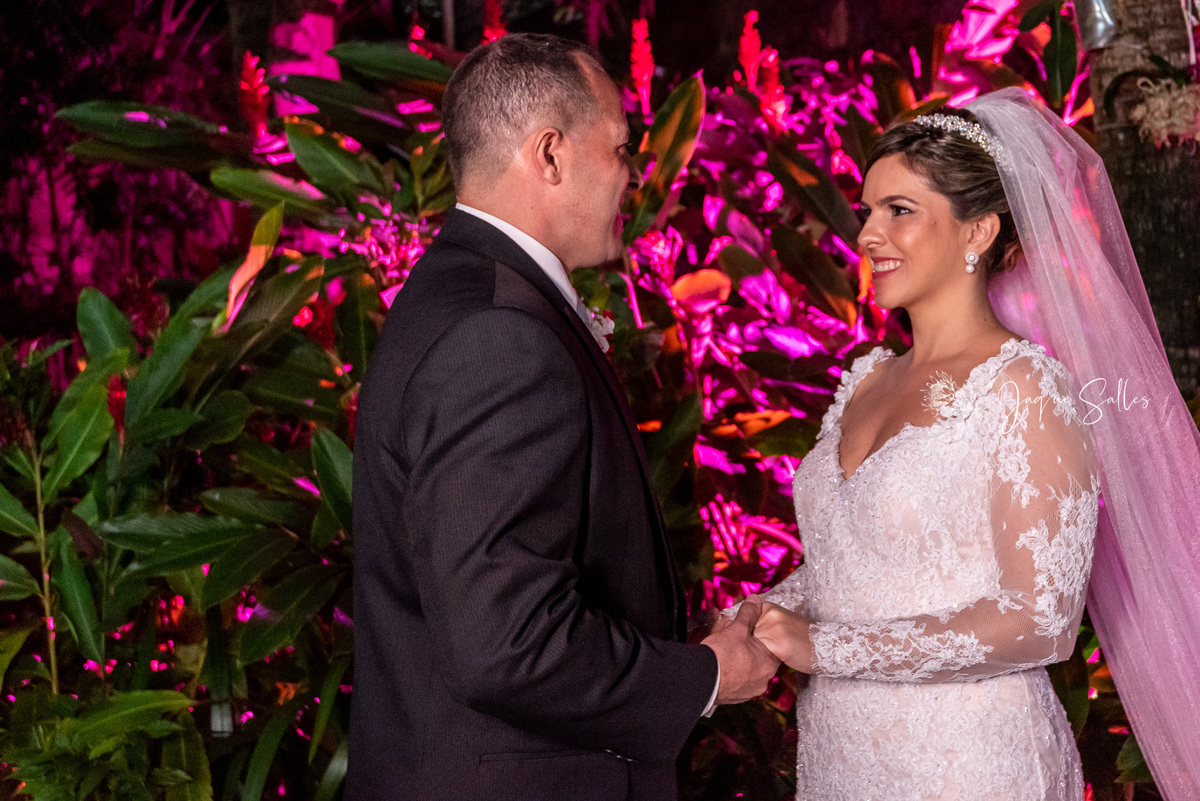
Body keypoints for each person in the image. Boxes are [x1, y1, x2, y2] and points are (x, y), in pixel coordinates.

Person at [347, 33, 779, 801]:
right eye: (619, 150)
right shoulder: (497, 334)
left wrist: (666, 636)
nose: (632, 177)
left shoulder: (457, 290)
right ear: (549, 155)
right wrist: (707, 675)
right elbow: (505, 643)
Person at [747, 88, 1200, 800]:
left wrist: (824, 647)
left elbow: (1041, 621)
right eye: (868, 210)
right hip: (842, 757)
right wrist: (761, 612)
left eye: (899, 210)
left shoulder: (1023, 387)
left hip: (970, 762)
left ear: (978, 231)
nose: (868, 235)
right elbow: (854, 563)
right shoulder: (866, 379)